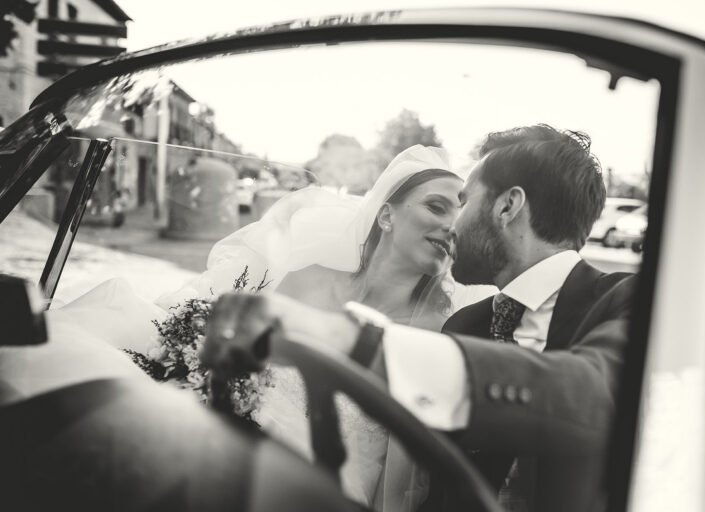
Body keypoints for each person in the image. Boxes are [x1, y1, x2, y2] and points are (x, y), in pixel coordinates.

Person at [201, 125, 635, 512]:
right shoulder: (466, 326)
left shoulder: (625, 303)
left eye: (464, 202)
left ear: (507, 207)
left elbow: (592, 389)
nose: (453, 225)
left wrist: (354, 340)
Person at [155, 144, 471, 509]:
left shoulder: (437, 337)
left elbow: (401, 485)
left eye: (461, 217)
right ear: (386, 216)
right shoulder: (307, 279)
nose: (452, 226)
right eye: (436, 206)